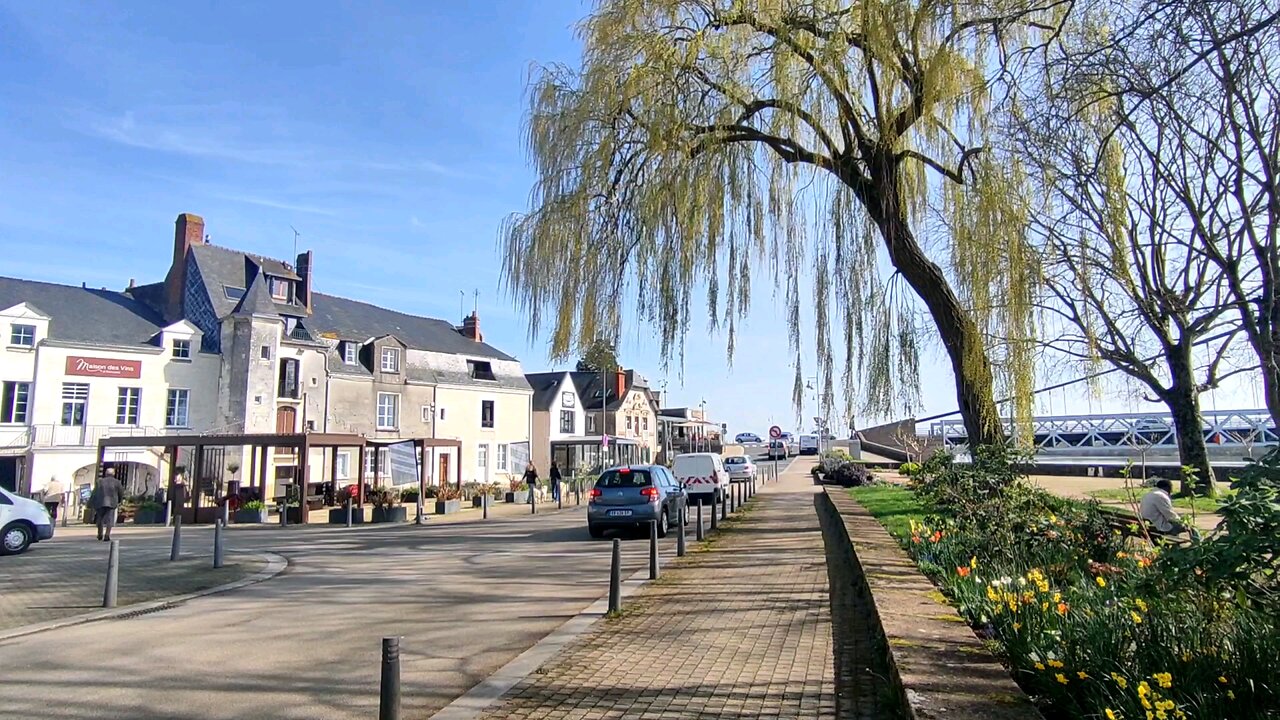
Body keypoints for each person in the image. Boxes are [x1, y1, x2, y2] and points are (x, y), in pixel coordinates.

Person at [89, 467, 124, 542]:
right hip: (111, 503)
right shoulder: (117, 482)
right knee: (109, 519)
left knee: (100, 519)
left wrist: (91, 502)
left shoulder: (100, 481)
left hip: (100, 502)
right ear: (113, 474)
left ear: (106, 473)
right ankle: (107, 535)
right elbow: (121, 492)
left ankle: (100, 534)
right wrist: (120, 501)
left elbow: (94, 492)